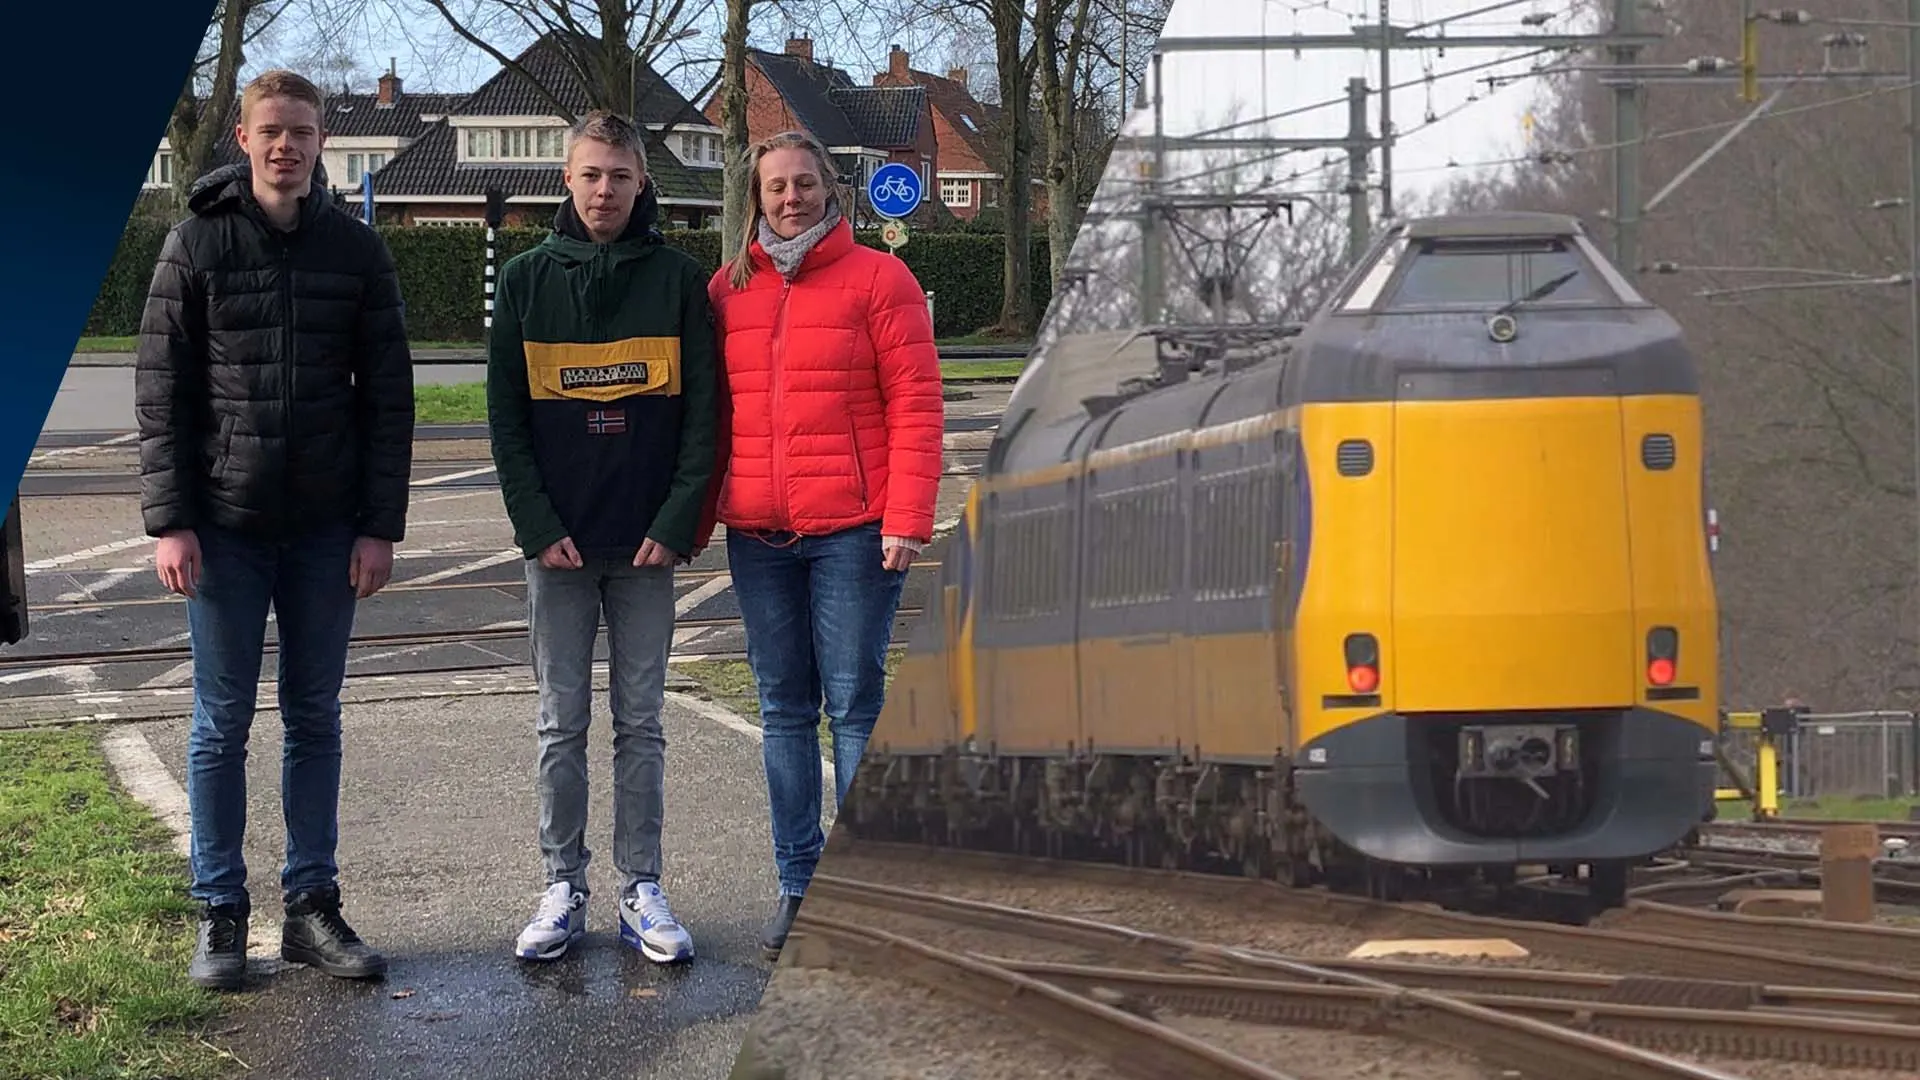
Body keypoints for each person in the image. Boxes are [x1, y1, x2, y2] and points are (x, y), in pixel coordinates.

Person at [136, 68, 415, 992]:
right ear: (244, 141)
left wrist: (378, 528)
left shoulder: (358, 251)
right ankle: (220, 912)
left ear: (321, 139)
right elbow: (162, 393)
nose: (285, 146)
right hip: (224, 530)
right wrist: (170, 520)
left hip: (328, 531)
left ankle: (311, 909)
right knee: (220, 724)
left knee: (314, 719)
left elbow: (389, 401)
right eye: (270, 131)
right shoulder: (196, 243)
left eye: (301, 130)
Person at [487, 110, 718, 965]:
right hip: (560, 549)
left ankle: (642, 886)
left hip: (647, 549)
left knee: (642, 722)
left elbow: (704, 418)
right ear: (566, 180)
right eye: (590, 175)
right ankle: (562, 884)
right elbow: (506, 421)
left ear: (641, 182)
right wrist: (537, 526)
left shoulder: (679, 280)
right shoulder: (524, 280)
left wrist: (675, 523)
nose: (604, 191)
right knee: (560, 722)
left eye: (620, 176)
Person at [707, 130, 944, 961]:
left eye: (804, 183)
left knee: (853, 705)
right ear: (756, 198)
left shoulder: (882, 279)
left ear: (830, 190)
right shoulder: (727, 289)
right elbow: (707, 417)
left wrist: (908, 517)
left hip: (852, 529)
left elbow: (916, 403)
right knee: (780, 708)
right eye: (776, 187)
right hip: (758, 534)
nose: (790, 198)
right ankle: (799, 887)